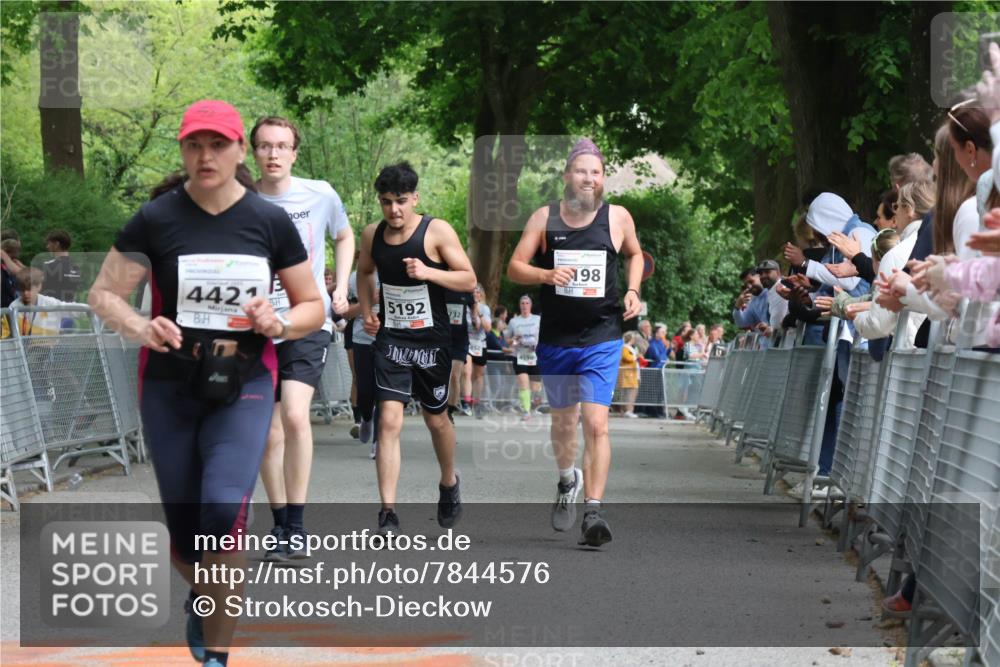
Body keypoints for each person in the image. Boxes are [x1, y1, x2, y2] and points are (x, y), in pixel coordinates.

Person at [87, 99, 325, 667]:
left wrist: (281, 322)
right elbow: (102, 295)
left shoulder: (268, 221)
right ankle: (204, 590)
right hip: (170, 385)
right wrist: (141, 325)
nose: (205, 155)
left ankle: (216, 655)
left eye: (218, 144)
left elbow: (312, 305)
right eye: (194, 144)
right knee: (187, 533)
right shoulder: (157, 218)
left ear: (239, 149)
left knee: (223, 512)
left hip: (244, 382)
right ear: (183, 150)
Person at [507, 138, 643, 547]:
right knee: (564, 423)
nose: (589, 178)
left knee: (596, 424)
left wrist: (634, 289)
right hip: (557, 340)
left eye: (596, 172)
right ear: (567, 175)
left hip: (602, 337)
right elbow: (515, 267)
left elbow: (636, 254)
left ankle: (594, 511)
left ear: (603, 179)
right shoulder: (544, 218)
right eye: (581, 171)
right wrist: (546, 276)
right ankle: (568, 480)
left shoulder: (617, 218)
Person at [250, 115, 354, 561]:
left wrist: (338, 286)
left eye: (281, 146)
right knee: (267, 431)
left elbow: (345, 236)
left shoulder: (320, 193)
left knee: (295, 416)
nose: (273, 154)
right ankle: (280, 525)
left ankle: (297, 524)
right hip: (256, 327)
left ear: (295, 152)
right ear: (253, 152)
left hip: (306, 320)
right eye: (264, 146)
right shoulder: (240, 199)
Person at [357, 161, 477, 537]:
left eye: (402, 201)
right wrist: (366, 311)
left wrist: (429, 272)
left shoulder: (435, 231)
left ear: (416, 198)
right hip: (392, 339)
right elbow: (363, 273)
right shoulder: (371, 235)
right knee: (388, 420)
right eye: (386, 202)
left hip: (432, 342)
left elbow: (469, 278)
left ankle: (448, 482)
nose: (394, 210)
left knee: (435, 419)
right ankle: (388, 513)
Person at [346, 269, 380, 458]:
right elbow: (346, 314)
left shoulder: (395, 269)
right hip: (362, 339)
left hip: (390, 339)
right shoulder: (355, 277)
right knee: (365, 390)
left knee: (384, 392)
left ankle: (378, 442)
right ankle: (366, 417)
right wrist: (369, 303)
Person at [506, 294, 542, 418]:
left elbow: (544, 336)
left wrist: (538, 343)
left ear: (531, 305)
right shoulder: (514, 321)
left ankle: (536, 399)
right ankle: (526, 411)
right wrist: (513, 340)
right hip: (519, 356)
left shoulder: (537, 319)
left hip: (534, 356)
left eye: (527, 303)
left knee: (535, 388)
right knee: (523, 383)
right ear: (519, 306)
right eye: (522, 303)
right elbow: (507, 340)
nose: (524, 306)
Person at [444, 287, 473, 422]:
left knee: (455, 376)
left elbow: (475, 307)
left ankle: (450, 410)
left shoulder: (465, 291)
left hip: (460, 341)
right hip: (442, 339)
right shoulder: (441, 288)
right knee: (442, 376)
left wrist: (476, 319)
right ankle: (440, 406)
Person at [466, 283, 491, 417]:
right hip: (467, 343)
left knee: (479, 376)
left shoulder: (485, 308)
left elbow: (487, 328)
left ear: (481, 295)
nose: (475, 295)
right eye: (473, 292)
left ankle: (477, 402)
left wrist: (478, 311)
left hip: (480, 344)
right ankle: (467, 401)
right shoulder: (465, 307)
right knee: (467, 372)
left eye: (478, 292)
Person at [41, 230, 82, 302]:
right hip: (70, 310)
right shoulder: (76, 268)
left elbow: (28, 277)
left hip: (51, 310)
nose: (47, 247)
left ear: (56, 244)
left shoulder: (49, 266)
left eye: (49, 244)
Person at [617, 331, 640, 418]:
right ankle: (627, 410)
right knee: (629, 393)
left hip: (632, 374)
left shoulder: (630, 348)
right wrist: (636, 356)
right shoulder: (625, 348)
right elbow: (627, 358)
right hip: (628, 374)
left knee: (631, 392)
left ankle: (629, 410)